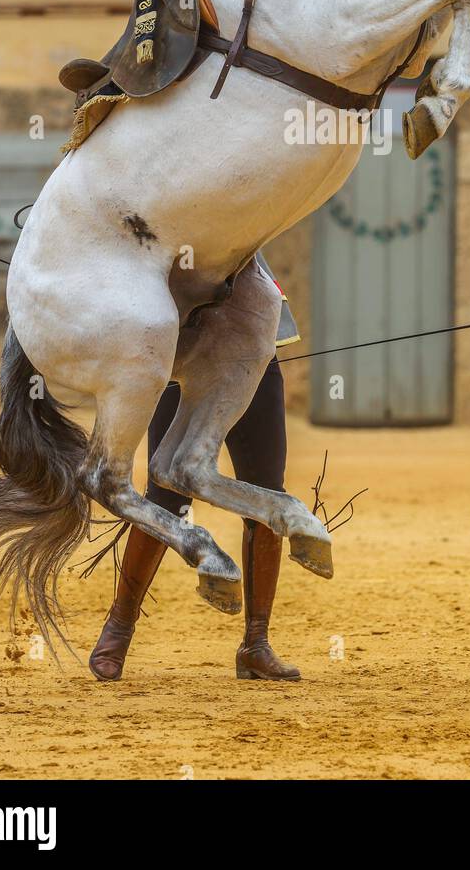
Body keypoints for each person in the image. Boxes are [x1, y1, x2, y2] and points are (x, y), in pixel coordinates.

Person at [89, 254, 301, 682]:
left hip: (253, 351)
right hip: (185, 349)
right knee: (165, 495)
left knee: (264, 491)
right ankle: (118, 629)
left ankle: (256, 646)